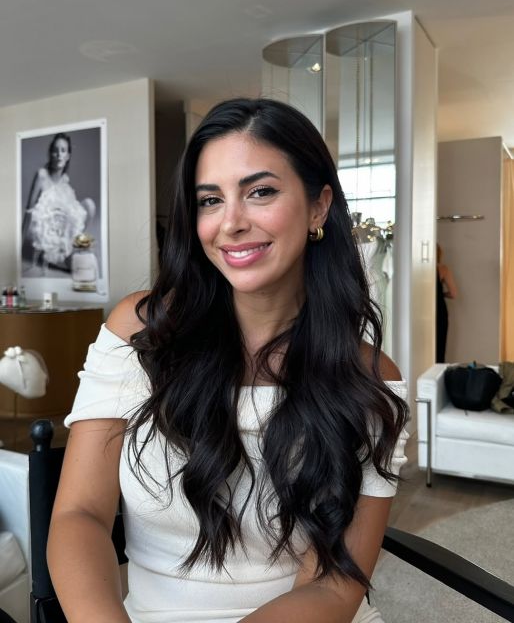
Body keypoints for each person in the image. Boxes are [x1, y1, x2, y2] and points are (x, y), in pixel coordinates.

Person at [47, 98, 409, 623]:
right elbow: (79, 514)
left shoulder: (367, 378)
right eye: (210, 200)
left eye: (260, 192)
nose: (231, 222)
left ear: (318, 206)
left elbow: (333, 589)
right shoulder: (141, 333)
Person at [22, 132, 95, 275]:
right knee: (77, 267)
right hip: (44, 237)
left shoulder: (65, 180)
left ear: (68, 156)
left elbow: (73, 216)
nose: (59, 154)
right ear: (50, 154)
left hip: (62, 237)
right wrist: (19, 245)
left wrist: (70, 241)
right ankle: (50, 256)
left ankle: (74, 251)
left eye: (63, 151)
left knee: (89, 205)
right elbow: (29, 212)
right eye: (55, 150)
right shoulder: (41, 175)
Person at [436, 243, 458, 362]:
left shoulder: (419, 268)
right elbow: (453, 293)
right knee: (440, 345)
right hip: (440, 310)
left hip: (422, 309)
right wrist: (441, 294)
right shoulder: (443, 269)